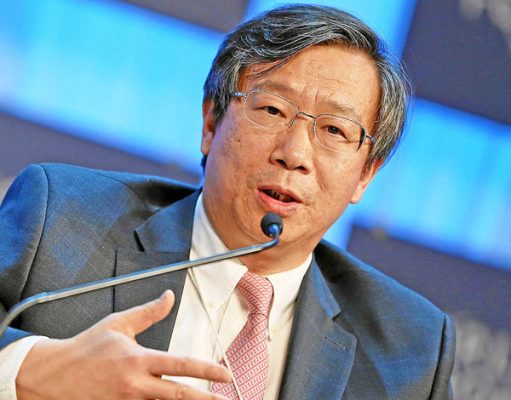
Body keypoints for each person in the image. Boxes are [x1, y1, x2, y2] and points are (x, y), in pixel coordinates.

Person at [0, 4, 455, 400]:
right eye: (272, 110)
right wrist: (31, 369)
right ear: (211, 123)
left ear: (365, 175)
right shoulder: (62, 217)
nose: (294, 154)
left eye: (335, 130)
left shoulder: (410, 350)